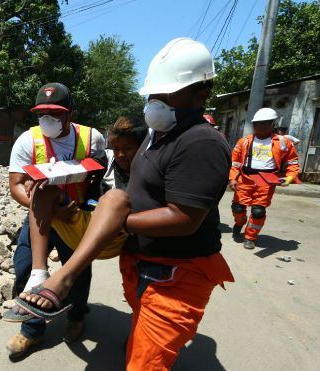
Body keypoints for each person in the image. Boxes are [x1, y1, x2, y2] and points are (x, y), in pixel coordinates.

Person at [16, 38, 235, 371]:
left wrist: (117, 221)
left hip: (175, 274)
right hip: (140, 261)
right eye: (152, 95)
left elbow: (185, 218)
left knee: (145, 364)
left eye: (166, 95)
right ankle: (44, 275)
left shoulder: (200, 142)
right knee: (139, 324)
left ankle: (63, 280)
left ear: (201, 93)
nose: (155, 102)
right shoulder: (158, 136)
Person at [6, 82, 106, 358]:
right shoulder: (28, 140)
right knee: (25, 266)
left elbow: (100, 178)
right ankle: (32, 329)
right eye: (42, 113)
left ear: (70, 113)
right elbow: (15, 186)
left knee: (77, 271)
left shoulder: (92, 138)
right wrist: (48, 209)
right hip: (40, 218)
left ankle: (75, 317)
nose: (48, 119)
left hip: (75, 217)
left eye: (55, 112)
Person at [229, 108, 300, 249]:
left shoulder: (283, 142)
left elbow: (293, 162)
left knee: (258, 211)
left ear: (272, 124)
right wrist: (233, 178)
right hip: (245, 179)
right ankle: (240, 223)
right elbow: (235, 163)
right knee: (238, 208)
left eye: (265, 123)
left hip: (267, 181)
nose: (261, 126)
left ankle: (250, 237)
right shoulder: (244, 141)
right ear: (254, 124)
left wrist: (291, 177)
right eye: (258, 123)